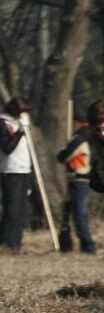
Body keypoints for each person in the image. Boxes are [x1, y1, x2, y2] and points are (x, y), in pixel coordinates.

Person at [55, 101, 99, 254]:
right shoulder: (91, 136)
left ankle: (88, 246)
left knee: (79, 214)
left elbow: (63, 156)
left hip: (79, 178)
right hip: (83, 178)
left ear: (77, 122)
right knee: (75, 212)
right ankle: (77, 245)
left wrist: (63, 151)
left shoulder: (80, 138)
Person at [0, 97, 34, 251]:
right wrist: (20, 132)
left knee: (22, 211)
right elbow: (7, 148)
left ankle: (13, 242)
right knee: (12, 210)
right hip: (10, 171)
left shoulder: (19, 123)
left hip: (24, 170)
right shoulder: (1, 123)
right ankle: (7, 243)